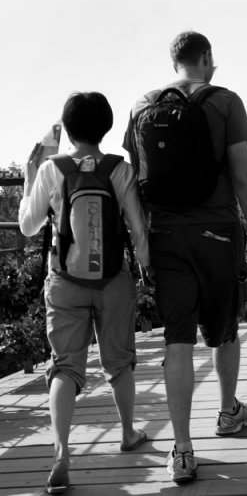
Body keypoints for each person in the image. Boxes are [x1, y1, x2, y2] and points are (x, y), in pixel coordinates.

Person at [123, 31, 247, 484]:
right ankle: (228, 412)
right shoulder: (225, 101)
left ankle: (183, 449)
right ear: (205, 58)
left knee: (178, 340)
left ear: (175, 63)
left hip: (166, 237)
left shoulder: (142, 106)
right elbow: (244, 178)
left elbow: (135, 181)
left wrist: (144, 245)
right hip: (218, 234)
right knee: (225, 329)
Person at [19, 92, 150, 494]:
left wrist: (28, 180)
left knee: (66, 367)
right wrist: (145, 268)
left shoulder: (52, 169)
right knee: (119, 363)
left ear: (68, 128)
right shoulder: (118, 169)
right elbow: (138, 229)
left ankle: (61, 453)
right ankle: (129, 433)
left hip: (64, 282)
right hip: (113, 281)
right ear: (105, 126)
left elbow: (27, 226)